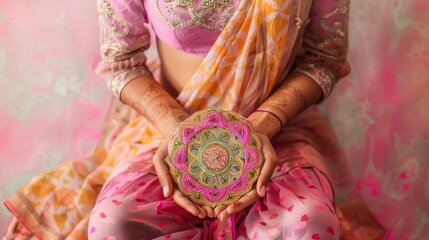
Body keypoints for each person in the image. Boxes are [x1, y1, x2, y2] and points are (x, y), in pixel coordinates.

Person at [3, 0, 351, 239]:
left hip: (278, 130)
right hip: (166, 130)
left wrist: (260, 126)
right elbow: (121, 61)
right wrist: (180, 132)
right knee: (117, 223)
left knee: (307, 222)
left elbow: (324, 58)